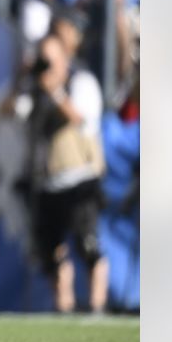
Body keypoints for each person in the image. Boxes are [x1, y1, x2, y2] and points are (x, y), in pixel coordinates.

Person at [25, 28, 107, 313]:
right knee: (53, 252)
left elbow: (82, 120)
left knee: (88, 246)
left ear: (64, 58)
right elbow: (11, 112)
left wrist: (55, 90)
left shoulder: (80, 83)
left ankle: (97, 306)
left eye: (50, 59)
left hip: (80, 176)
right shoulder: (36, 89)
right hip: (50, 180)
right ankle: (63, 305)